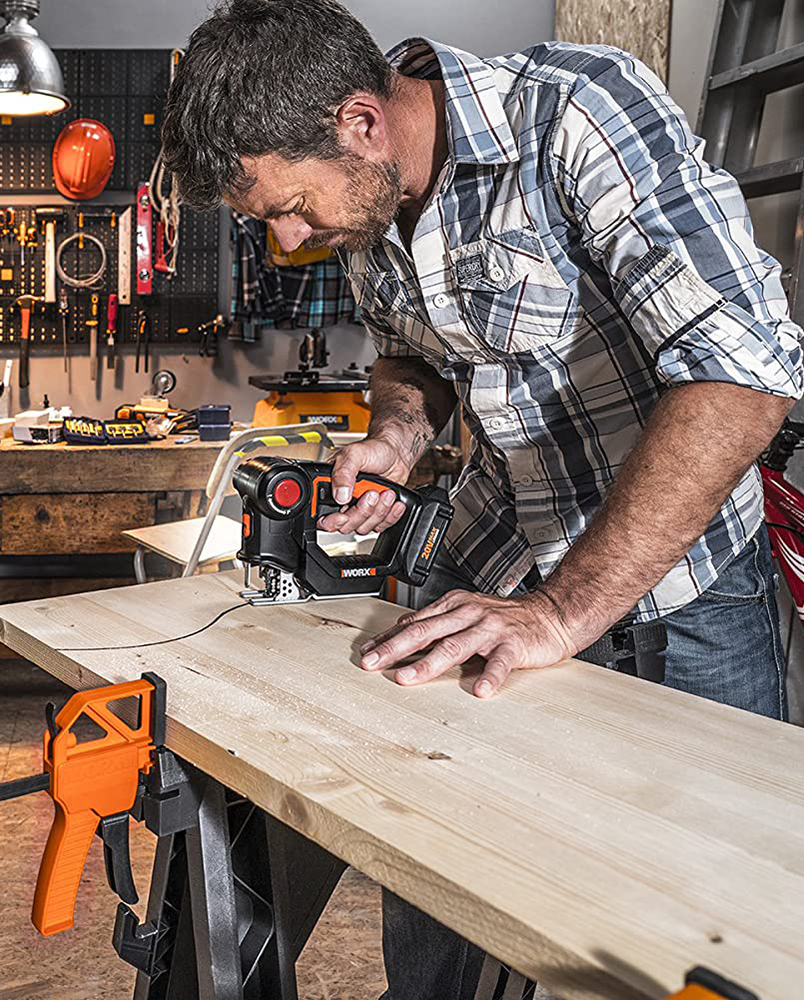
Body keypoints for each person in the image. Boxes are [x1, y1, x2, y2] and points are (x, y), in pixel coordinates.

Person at [162, 2, 803, 997]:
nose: (287, 238)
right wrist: (395, 438)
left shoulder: (574, 117)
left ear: (360, 123)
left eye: (290, 207)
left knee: (709, 921)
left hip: (686, 595)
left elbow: (742, 376)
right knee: (439, 893)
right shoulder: (368, 197)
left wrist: (560, 612)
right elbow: (415, 351)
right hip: (498, 558)